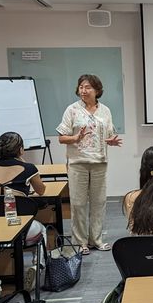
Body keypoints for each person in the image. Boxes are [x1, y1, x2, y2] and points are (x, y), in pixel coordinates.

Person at [57, 74, 122, 254]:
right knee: (78, 203)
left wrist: (110, 141)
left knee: (98, 202)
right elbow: (62, 138)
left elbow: (108, 133)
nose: (83, 91)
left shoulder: (105, 111)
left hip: (99, 162)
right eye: (81, 87)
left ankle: (96, 239)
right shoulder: (72, 110)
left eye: (88, 87)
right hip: (78, 162)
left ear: (97, 90)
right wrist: (75, 137)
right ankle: (80, 242)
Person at [0, 132, 46, 197]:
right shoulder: (29, 168)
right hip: (19, 206)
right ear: (21, 149)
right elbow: (41, 191)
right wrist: (24, 162)